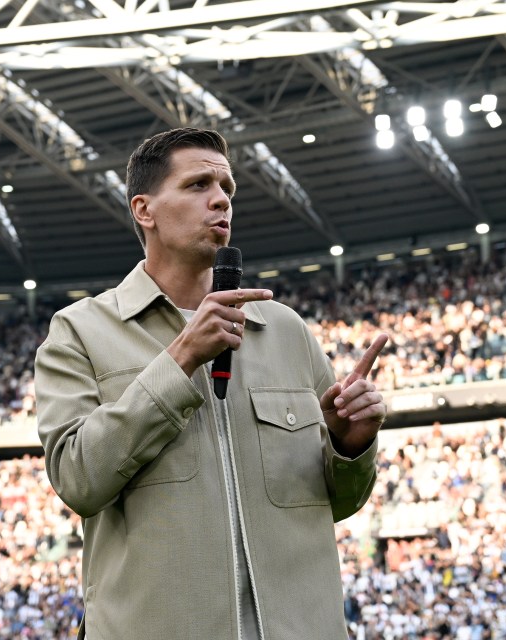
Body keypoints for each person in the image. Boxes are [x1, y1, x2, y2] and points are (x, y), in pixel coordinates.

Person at [35, 127, 389, 640]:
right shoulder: (80, 331)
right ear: (144, 210)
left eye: (227, 188)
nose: (221, 199)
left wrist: (349, 445)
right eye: (199, 184)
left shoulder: (284, 330)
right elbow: (78, 480)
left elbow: (337, 503)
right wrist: (180, 359)